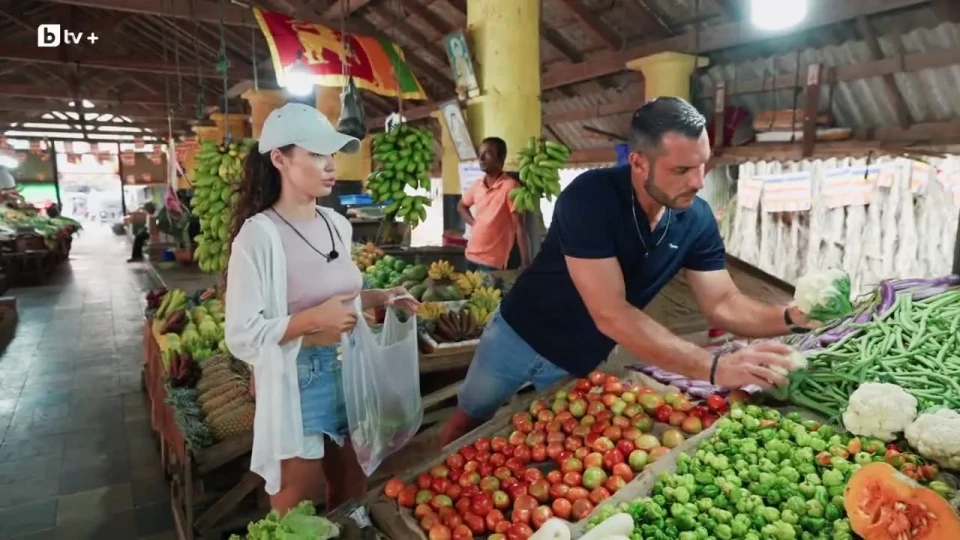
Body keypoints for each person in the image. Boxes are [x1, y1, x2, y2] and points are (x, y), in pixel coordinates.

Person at [441, 97, 818, 445]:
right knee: (467, 422)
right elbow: (611, 312)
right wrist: (714, 367)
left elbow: (723, 302)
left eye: (703, 164)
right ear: (638, 163)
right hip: (517, 335)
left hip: (577, 356)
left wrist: (791, 317)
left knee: (552, 439)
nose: (699, 181)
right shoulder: (590, 198)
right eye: (682, 169)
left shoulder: (696, 218)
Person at [223, 103, 420, 514]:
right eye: (316, 154)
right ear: (279, 158)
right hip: (299, 380)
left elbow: (338, 297)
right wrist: (313, 320)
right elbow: (241, 334)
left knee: (352, 489)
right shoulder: (258, 237)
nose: (330, 165)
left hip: (350, 367)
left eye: (331, 155)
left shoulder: (337, 224)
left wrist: (381, 298)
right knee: (296, 508)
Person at [457, 137, 531, 271]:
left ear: (500, 158)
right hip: (470, 255)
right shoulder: (477, 185)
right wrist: (474, 223)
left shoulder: (511, 187)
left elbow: (519, 227)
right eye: (480, 154)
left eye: (487, 153)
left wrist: (526, 263)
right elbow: (461, 206)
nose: (481, 158)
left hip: (492, 262)